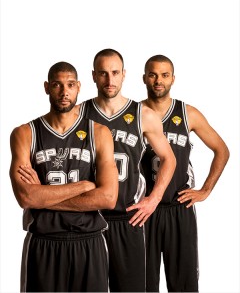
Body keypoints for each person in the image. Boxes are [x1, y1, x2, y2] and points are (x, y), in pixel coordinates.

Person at [9, 61, 119, 292]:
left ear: (79, 87)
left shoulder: (98, 132)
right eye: (57, 85)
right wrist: (84, 185)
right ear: (47, 87)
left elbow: (108, 198)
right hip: (44, 242)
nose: (64, 91)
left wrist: (45, 197)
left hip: (89, 241)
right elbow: (26, 198)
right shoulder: (25, 133)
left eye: (70, 85)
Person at [79, 48, 176, 292]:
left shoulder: (143, 114)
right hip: (88, 219)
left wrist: (154, 199)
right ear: (93, 76)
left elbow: (169, 158)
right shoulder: (79, 113)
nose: (109, 80)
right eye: (103, 73)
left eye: (114, 73)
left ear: (124, 75)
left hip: (127, 218)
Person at [141, 54, 230, 292]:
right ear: (144, 78)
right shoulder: (134, 114)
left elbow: (221, 150)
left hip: (179, 208)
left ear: (173, 79)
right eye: (152, 75)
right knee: (142, 283)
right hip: (144, 210)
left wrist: (205, 190)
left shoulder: (187, 113)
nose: (158, 80)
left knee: (184, 284)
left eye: (164, 75)